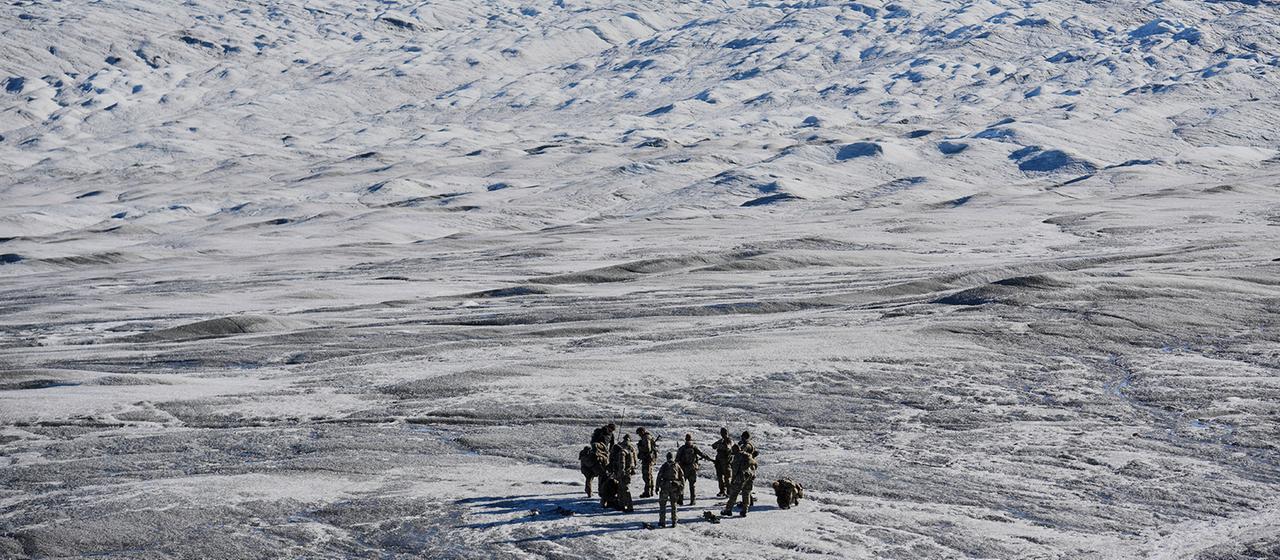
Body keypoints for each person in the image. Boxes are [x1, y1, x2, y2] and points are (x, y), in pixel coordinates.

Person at [675, 433, 713, 506]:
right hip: (692, 468)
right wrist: (708, 458)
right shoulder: (694, 447)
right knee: (692, 486)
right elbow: (702, 454)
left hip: (684, 469)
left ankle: (680, 500)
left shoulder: (682, 448)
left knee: (681, 485)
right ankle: (693, 500)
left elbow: (677, 459)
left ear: (685, 439)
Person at [722, 444, 757, 517]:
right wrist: (753, 473)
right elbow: (755, 464)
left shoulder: (737, 457)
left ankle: (728, 510)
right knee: (746, 494)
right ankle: (744, 511)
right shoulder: (748, 455)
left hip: (740, 478)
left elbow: (735, 470)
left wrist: (733, 480)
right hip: (749, 476)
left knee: (734, 494)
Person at [656, 451, 684, 528]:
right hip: (674, 488)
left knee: (663, 505)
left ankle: (662, 522)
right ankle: (674, 521)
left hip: (665, 487)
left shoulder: (664, 466)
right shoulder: (677, 466)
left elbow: (659, 476)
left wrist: (657, 487)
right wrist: (681, 488)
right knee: (673, 505)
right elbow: (682, 477)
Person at [609, 434, 637, 512]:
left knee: (625, 489)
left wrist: (620, 472)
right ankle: (621, 505)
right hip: (627, 472)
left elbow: (622, 464)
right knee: (620, 489)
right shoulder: (628, 450)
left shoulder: (622, 453)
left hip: (624, 473)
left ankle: (629, 506)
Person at [636, 427, 660, 498]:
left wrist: (640, 447)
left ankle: (647, 492)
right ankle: (650, 491)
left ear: (642, 432)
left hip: (647, 459)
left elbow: (647, 449)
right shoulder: (648, 436)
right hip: (649, 459)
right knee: (649, 475)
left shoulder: (646, 438)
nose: (639, 435)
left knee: (646, 476)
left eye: (639, 433)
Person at [711, 427, 733, 497]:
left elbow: (728, 448)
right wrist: (719, 444)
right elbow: (713, 446)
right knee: (720, 477)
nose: (723, 434)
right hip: (719, 462)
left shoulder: (729, 441)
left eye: (724, 433)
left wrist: (720, 446)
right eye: (722, 433)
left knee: (727, 478)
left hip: (726, 462)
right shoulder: (721, 441)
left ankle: (729, 492)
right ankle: (722, 491)